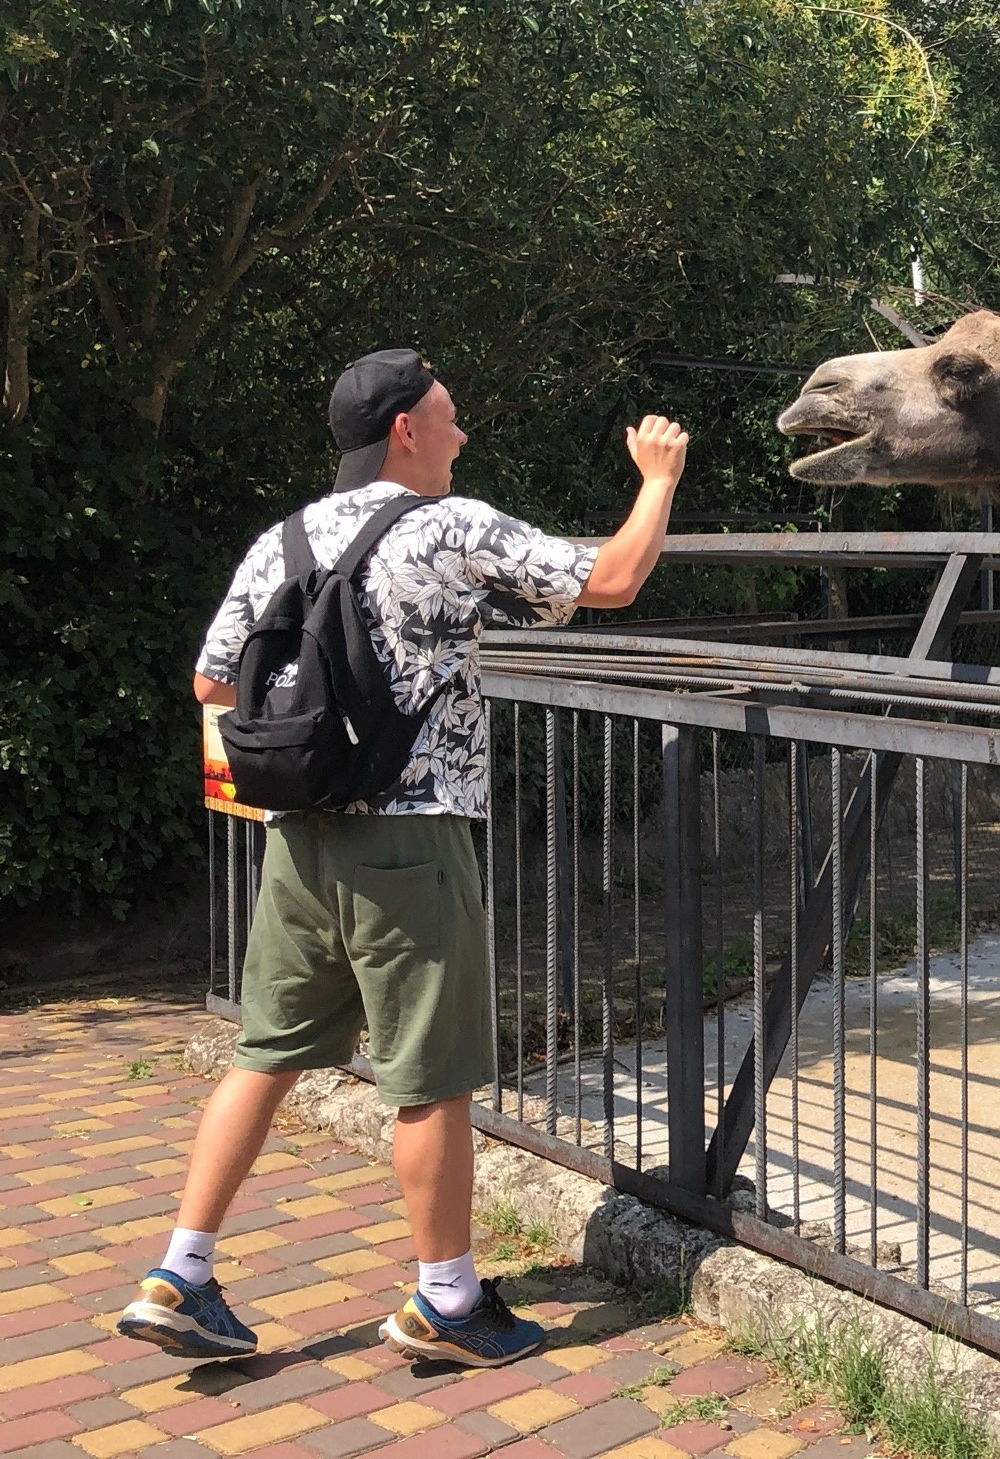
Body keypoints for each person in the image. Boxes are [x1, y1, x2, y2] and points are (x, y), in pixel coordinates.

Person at [116, 349, 689, 1368]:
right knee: (430, 1077)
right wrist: (656, 481)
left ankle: (180, 1274)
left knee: (267, 1053)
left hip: (298, 838)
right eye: (451, 418)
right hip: (412, 837)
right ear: (405, 432)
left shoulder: (283, 538)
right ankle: (447, 1302)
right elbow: (612, 578)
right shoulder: (445, 528)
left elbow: (212, 687)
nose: (464, 436)